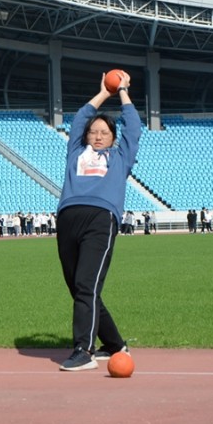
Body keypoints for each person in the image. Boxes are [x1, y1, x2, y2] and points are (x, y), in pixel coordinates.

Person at [55, 72, 139, 371]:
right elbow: (80, 117)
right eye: (94, 132)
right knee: (79, 287)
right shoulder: (76, 151)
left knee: (85, 284)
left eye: (104, 132)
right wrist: (104, 92)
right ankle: (116, 345)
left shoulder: (120, 157)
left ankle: (84, 349)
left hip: (100, 218)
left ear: (114, 138)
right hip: (67, 218)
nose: (98, 135)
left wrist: (124, 92)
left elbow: (134, 127)